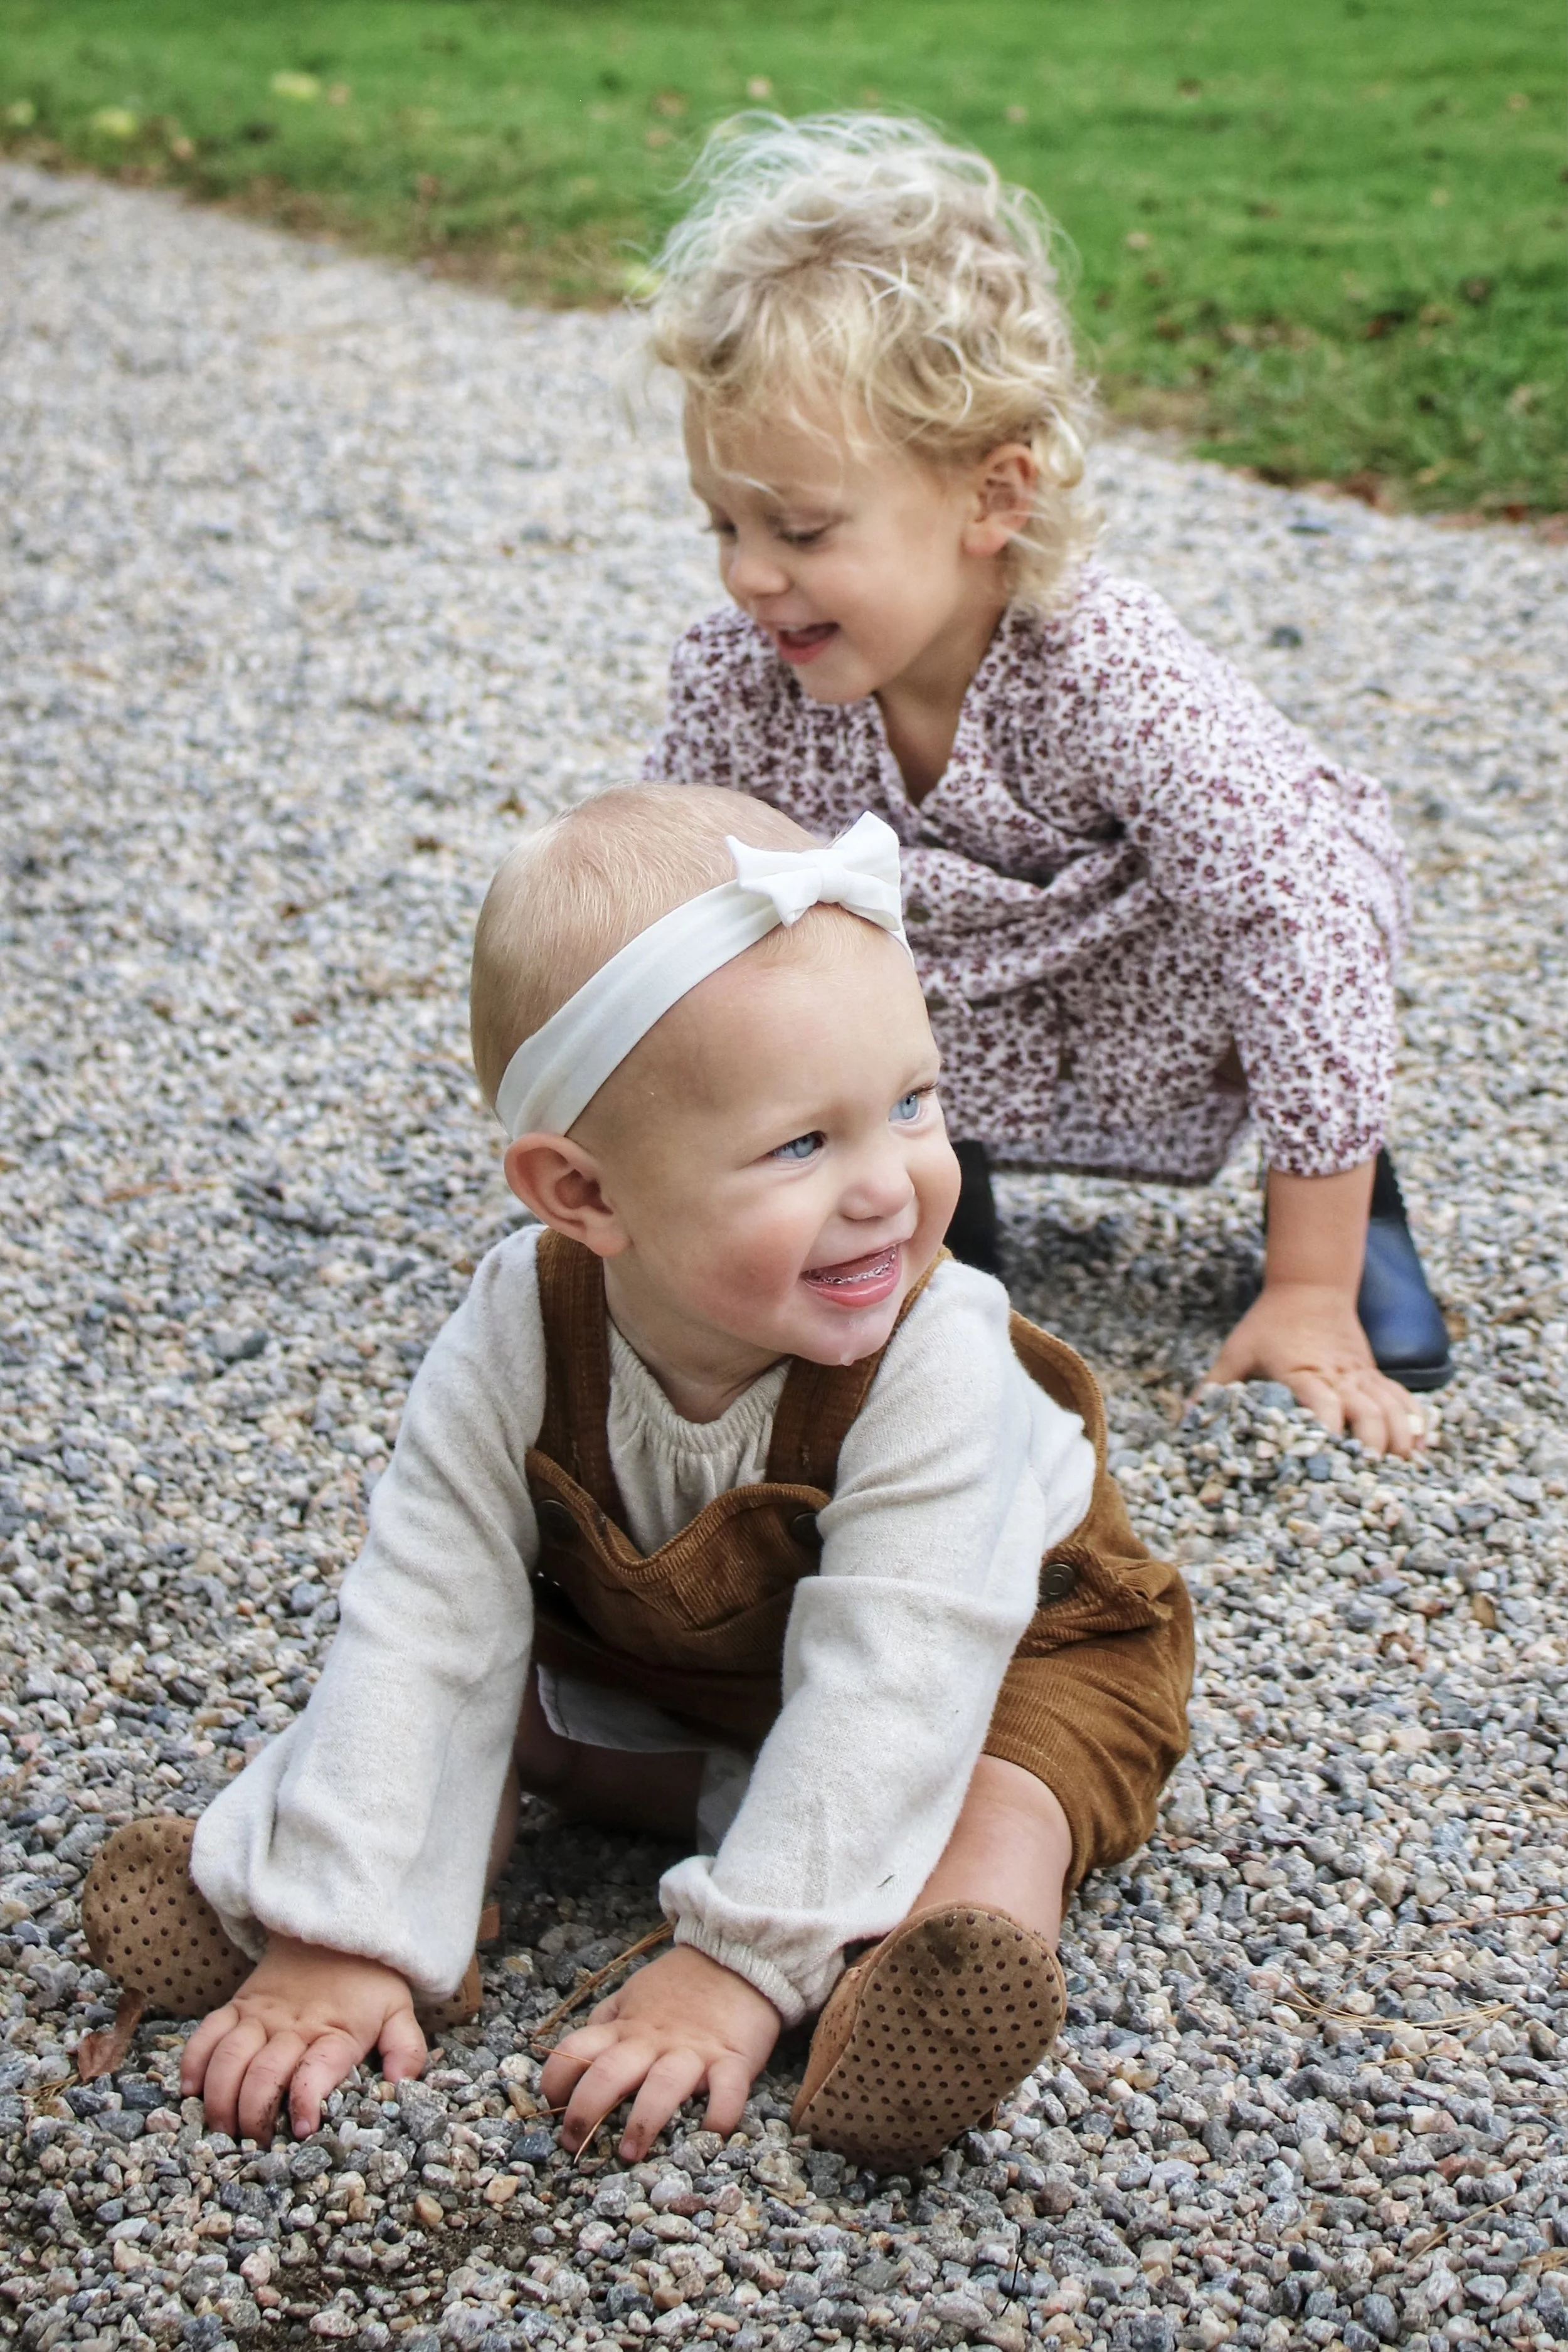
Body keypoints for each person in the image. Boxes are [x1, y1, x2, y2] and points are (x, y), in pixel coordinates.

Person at [82, 787, 1191, 2170]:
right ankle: (325, 1892)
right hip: (684, 1660)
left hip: (1007, 1647)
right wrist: (337, 1932)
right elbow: (429, 1613)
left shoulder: (936, 1349)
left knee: (993, 1798)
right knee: (484, 1701)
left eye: (911, 1104)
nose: (892, 1188)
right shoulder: (518, 1326)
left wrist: (734, 1962)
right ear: (584, 1198)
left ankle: (909, 1999)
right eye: (802, 1143)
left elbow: (900, 1669)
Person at [640, 112, 1452, 1461]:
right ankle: (917, 1195)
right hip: (952, 1000)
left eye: (798, 529)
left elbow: (1293, 916)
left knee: (1294, 923)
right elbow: (682, 925)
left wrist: (1304, 1291)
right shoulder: (735, 681)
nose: (746, 574)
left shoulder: (1104, 666)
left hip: (1164, 973)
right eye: (721, 523)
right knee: (791, 957)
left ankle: (1347, 1204)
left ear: (990, 497)